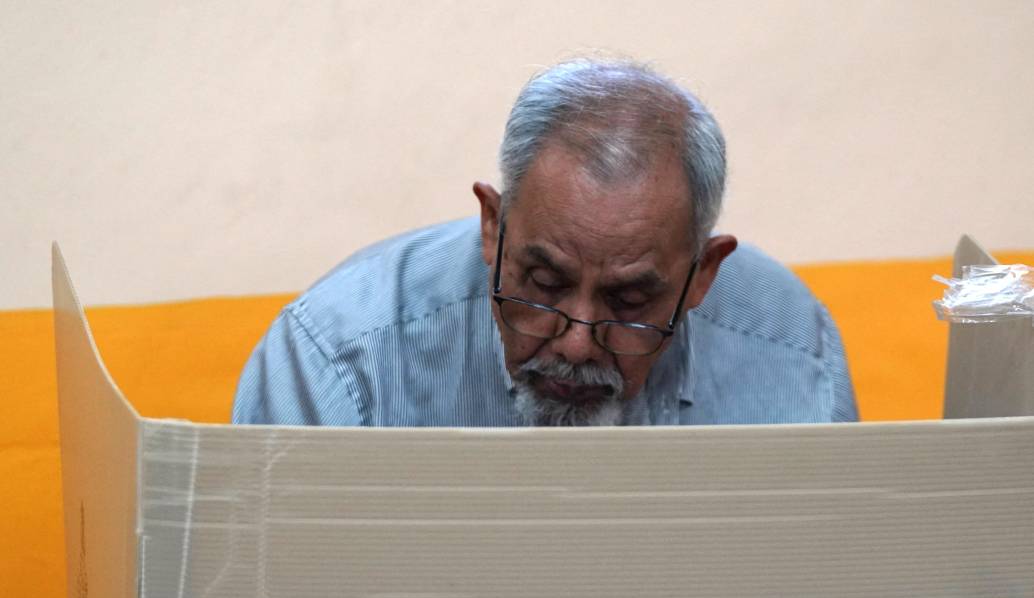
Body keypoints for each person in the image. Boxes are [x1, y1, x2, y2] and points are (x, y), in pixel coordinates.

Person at [232, 59, 857, 428]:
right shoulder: (339, 359)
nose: (578, 342)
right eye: (544, 284)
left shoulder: (794, 355)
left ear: (702, 275)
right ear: (493, 228)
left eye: (630, 301)